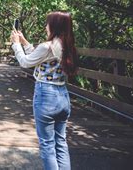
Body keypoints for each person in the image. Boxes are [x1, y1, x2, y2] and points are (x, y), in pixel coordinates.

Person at [10, 11, 78, 170]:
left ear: (54, 26)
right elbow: (38, 56)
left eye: (48, 23)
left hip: (46, 96)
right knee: (60, 142)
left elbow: (26, 62)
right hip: (63, 96)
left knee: (47, 144)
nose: (45, 26)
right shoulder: (67, 46)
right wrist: (25, 42)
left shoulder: (47, 46)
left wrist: (16, 44)